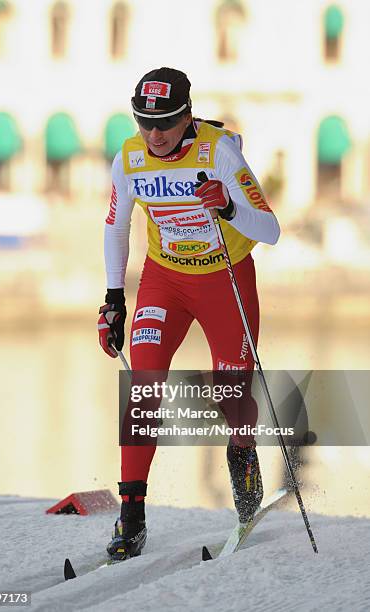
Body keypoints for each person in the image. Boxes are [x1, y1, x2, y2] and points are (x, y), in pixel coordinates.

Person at [98, 67, 280, 561]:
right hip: (165, 279)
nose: (153, 134)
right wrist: (114, 299)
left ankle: (242, 455)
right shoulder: (131, 158)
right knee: (144, 384)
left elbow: (270, 229)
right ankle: (130, 517)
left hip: (224, 276)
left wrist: (226, 208)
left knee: (231, 390)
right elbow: (116, 226)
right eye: (143, 123)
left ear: (187, 116)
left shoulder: (219, 151)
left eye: (165, 123)